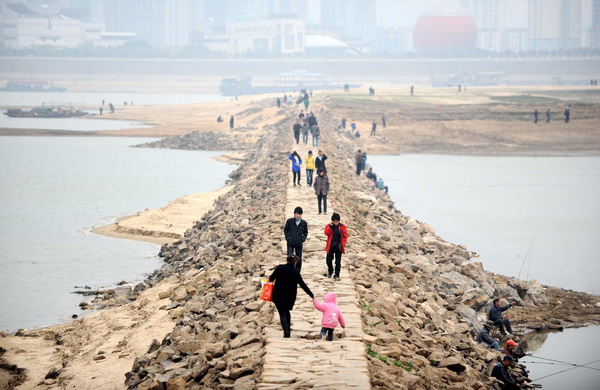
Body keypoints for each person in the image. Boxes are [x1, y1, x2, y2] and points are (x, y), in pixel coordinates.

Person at [269, 255, 314, 338]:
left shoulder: (279, 268)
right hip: (290, 297)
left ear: (287, 260)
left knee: (282, 313)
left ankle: (286, 332)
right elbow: (303, 285)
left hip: (278, 294)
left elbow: (271, 279)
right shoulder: (295, 272)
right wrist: (311, 295)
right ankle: (288, 330)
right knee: (287, 312)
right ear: (295, 262)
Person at [324, 213, 348, 279]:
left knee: (338, 262)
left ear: (339, 221)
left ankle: (337, 275)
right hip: (331, 246)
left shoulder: (342, 227)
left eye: (337, 221)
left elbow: (345, 236)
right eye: (334, 221)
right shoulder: (328, 226)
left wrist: (343, 243)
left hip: (338, 247)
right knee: (328, 261)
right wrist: (331, 226)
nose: (336, 223)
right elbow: (326, 233)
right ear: (332, 221)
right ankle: (331, 270)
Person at [283, 207, 308, 271]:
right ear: (294, 214)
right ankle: (289, 272)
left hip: (299, 243)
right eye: (296, 214)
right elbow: (285, 230)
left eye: (299, 214)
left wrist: (302, 239)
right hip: (290, 243)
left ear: (301, 214)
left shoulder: (303, 223)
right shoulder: (289, 221)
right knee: (289, 258)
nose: (297, 215)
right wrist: (287, 238)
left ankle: (297, 272)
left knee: (298, 258)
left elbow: (306, 232)